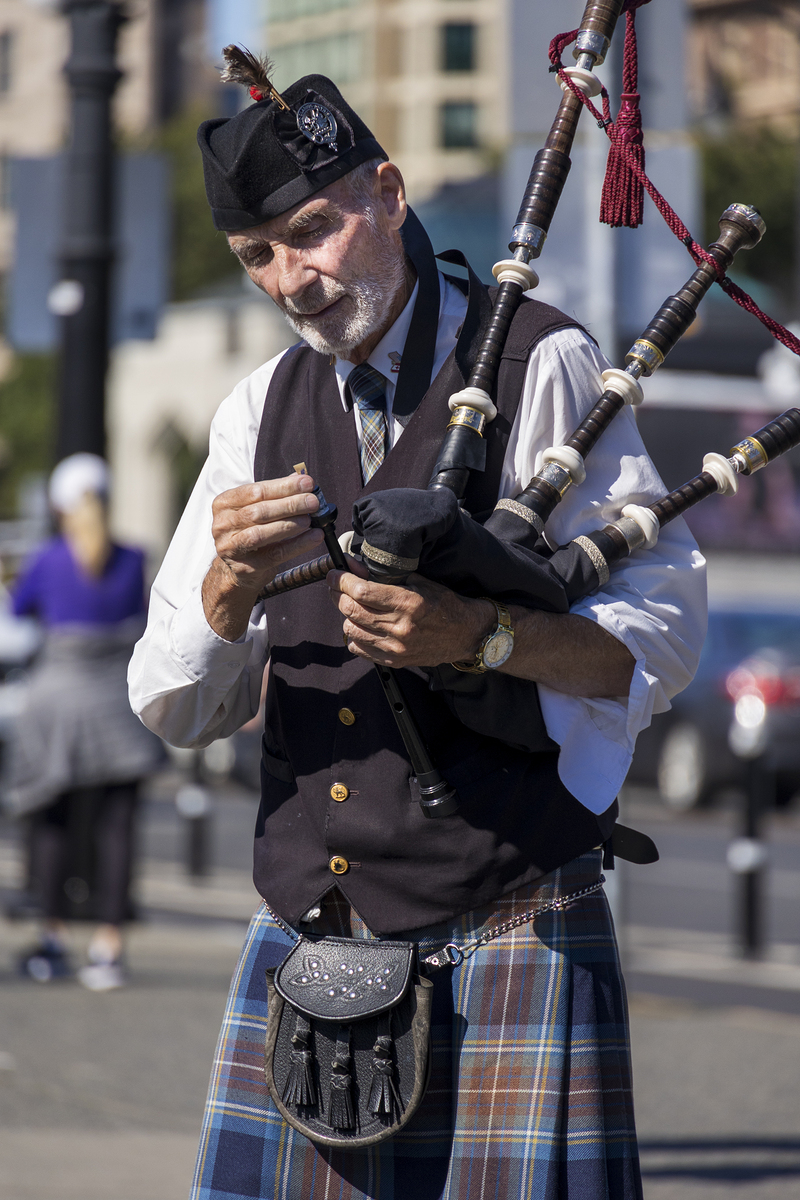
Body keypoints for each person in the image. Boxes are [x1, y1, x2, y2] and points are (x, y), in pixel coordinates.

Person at [129, 59, 706, 1200]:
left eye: (312, 232)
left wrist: (479, 639)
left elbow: (661, 637)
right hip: (310, 941)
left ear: (388, 194)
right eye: (257, 258)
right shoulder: (256, 410)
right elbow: (171, 703)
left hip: (504, 924)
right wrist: (226, 594)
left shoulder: (542, 359)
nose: (291, 280)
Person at [7, 453, 164, 991]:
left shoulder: (47, 560)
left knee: (50, 822)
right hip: (119, 708)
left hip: (57, 708)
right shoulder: (133, 558)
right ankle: (108, 948)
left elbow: (20, 615)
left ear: (58, 505)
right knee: (116, 829)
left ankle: (51, 941)